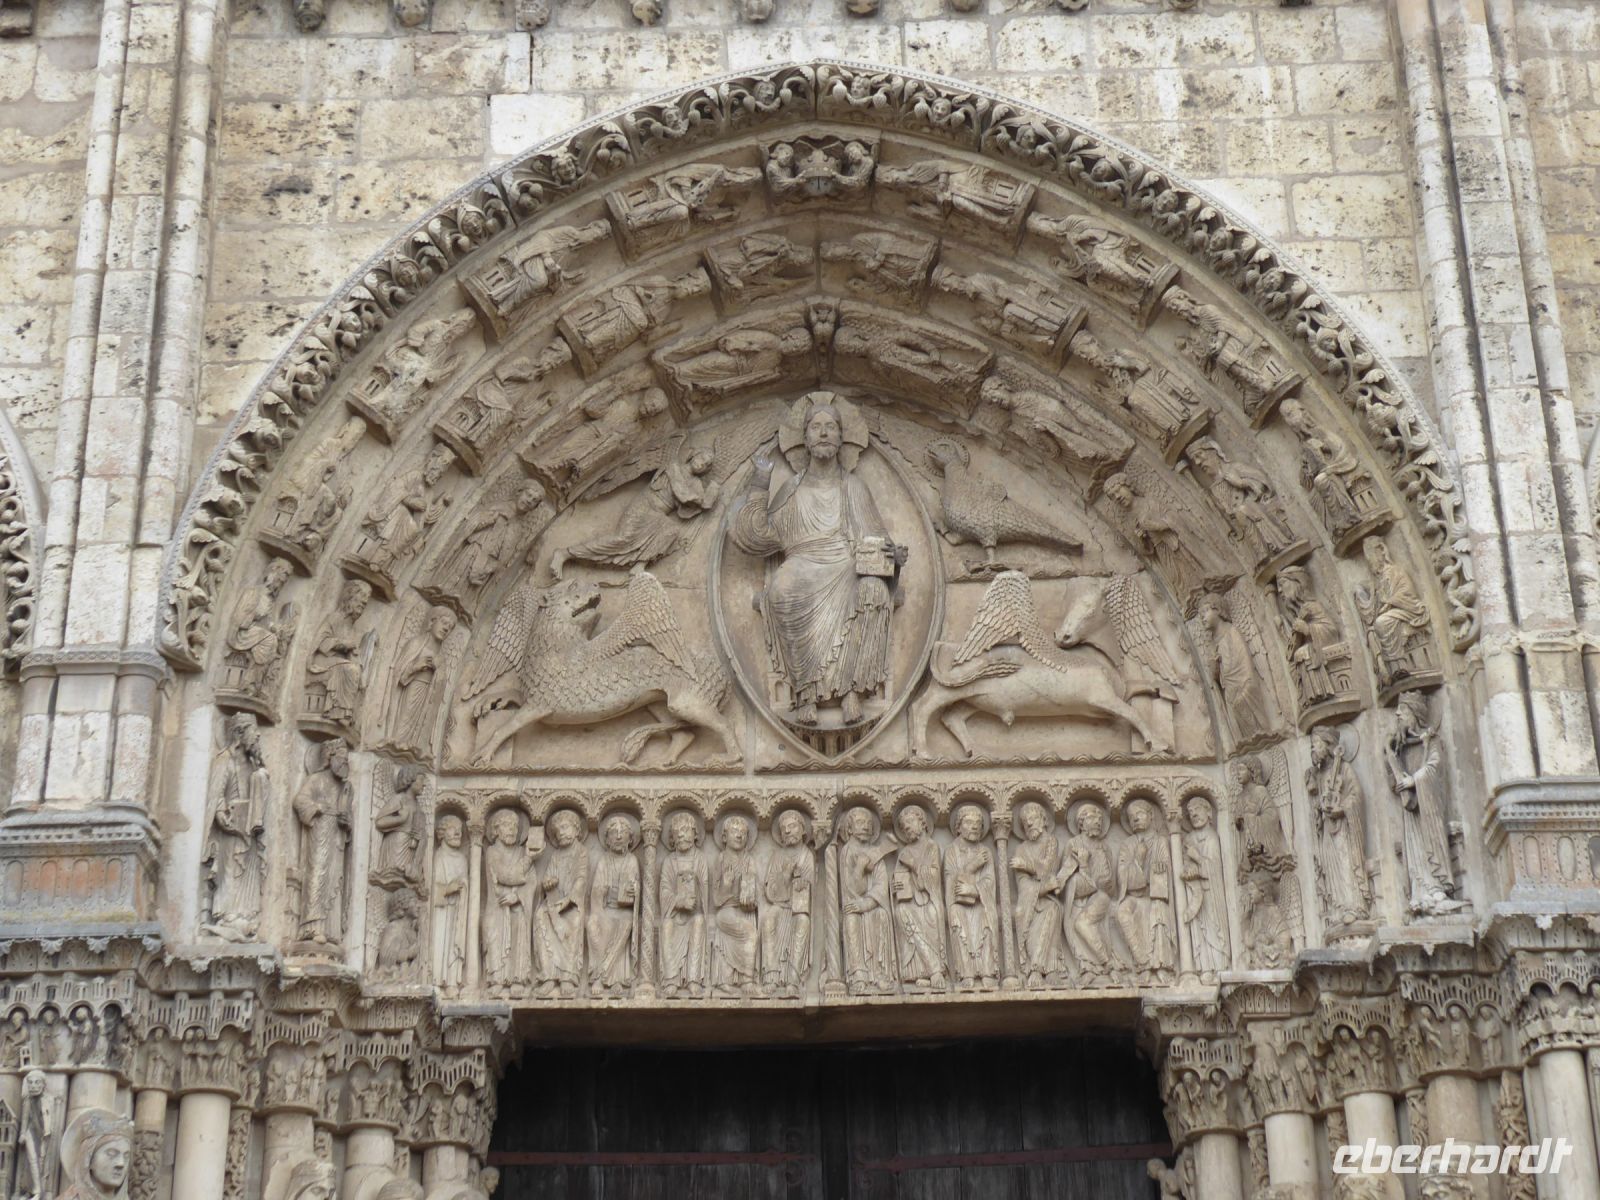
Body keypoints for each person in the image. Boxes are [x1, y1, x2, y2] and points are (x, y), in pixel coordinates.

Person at [731, 393, 902, 727]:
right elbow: (758, 536)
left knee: (872, 589)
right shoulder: (791, 489)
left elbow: (877, 539)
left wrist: (894, 557)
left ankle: (853, 691)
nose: (823, 433)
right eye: (815, 427)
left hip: (845, 562)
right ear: (804, 440)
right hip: (802, 562)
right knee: (781, 591)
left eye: (831, 427)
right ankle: (806, 692)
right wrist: (759, 482)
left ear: (841, 438)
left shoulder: (854, 487)